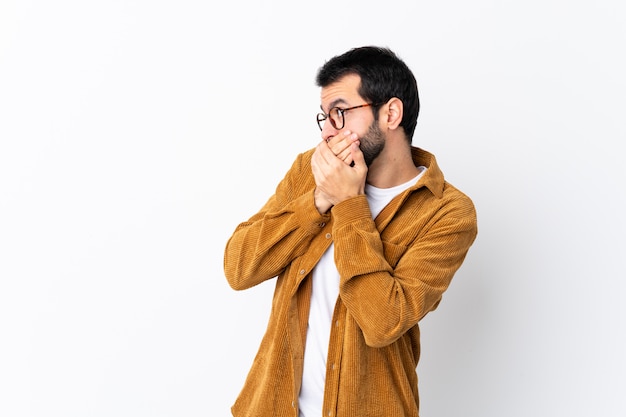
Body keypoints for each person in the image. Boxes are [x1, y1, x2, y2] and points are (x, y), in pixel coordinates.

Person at [223, 46, 478, 417]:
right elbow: (238, 267)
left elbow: (382, 322)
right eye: (324, 117)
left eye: (340, 113)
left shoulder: (447, 212)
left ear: (390, 113)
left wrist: (348, 204)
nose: (327, 132)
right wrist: (318, 199)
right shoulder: (311, 170)